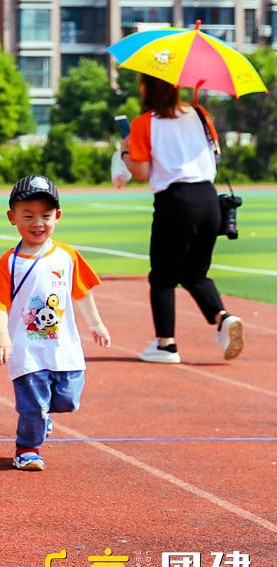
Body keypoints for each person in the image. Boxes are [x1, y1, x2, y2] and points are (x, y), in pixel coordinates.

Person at [0, 175, 111, 472]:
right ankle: (27, 448)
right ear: (12, 218)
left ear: (58, 217)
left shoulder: (67, 256)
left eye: (46, 216)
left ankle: (42, 417)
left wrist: (96, 324)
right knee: (32, 406)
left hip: (64, 347)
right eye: (28, 216)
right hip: (27, 350)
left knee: (68, 399)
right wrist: (1, 335)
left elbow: (82, 293)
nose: (38, 223)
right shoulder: (9, 262)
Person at [121, 74, 244, 364]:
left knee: (163, 277)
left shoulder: (143, 123)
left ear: (146, 87)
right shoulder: (201, 113)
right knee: (194, 274)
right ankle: (223, 317)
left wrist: (125, 148)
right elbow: (215, 156)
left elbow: (140, 173)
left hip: (176, 201)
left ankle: (166, 345)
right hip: (208, 200)